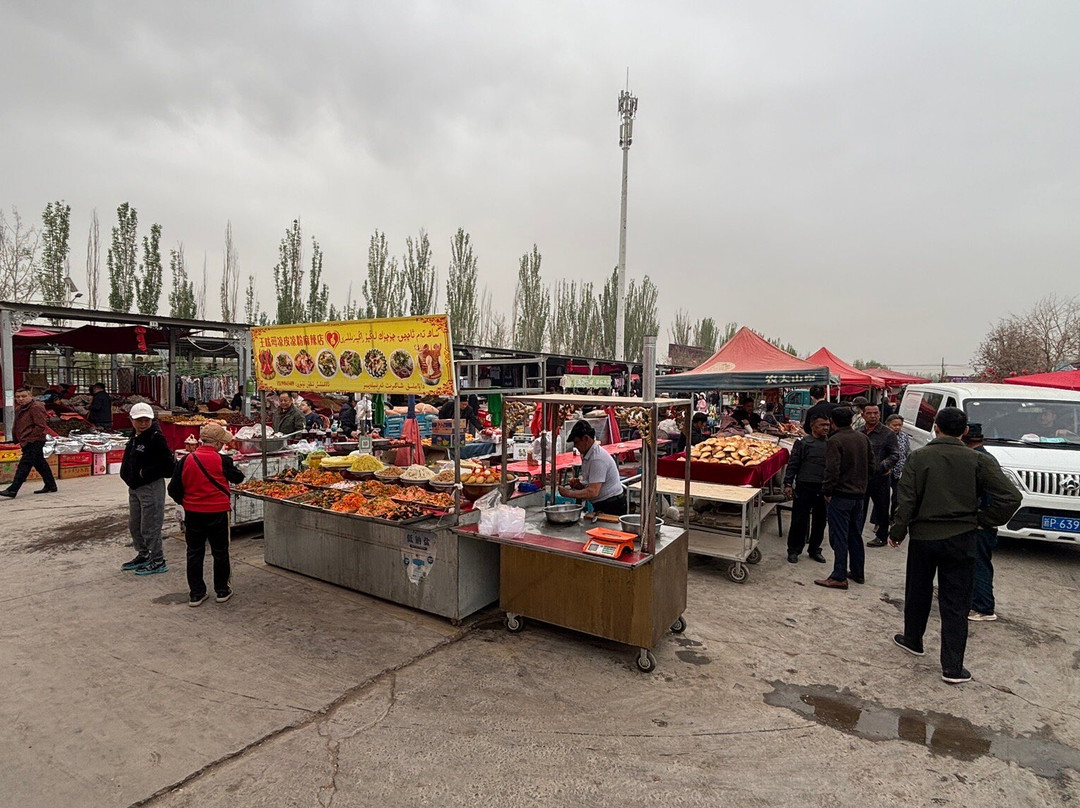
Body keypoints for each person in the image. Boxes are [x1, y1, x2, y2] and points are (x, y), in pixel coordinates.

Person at [889, 407, 1021, 684]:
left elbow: (907, 501)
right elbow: (1010, 497)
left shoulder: (919, 457)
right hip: (962, 538)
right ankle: (952, 667)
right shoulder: (977, 460)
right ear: (964, 432)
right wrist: (983, 520)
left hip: (924, 538)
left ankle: (913, 640)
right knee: (956, 602)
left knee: (918, 591)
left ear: (935, 426)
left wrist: (898, 532)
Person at [168, 423, 245, 606]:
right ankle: (222, 590)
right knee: (220, 552)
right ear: (218, 443)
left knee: (194, 552)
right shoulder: (223, 460)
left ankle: (196, 593)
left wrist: (186, 502)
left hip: (193, 513)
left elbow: (173, 489)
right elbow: (238, 478)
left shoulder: (186, 460)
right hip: (218, 512)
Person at [816, 407, 873, 590]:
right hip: (859, 495)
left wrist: (827, 491)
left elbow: (832, 470)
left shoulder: (835, 440)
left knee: (839, 537)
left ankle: (839, 576)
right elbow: (872, 465)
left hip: (841, 495)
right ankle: (858, 572)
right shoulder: (862, 438)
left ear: (833, 422)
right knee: (855, 535)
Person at [118, 402, 175, 575]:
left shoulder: (155, 437)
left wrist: (145, 473)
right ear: (131, 420)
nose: (143, 424)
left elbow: (169, 467)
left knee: (150, 526)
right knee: (135, 524)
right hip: (135, 487)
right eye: (139, 420)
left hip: (150, 487)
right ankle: (143, 554)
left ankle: (158, 560)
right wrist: (127, 474)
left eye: (146, 420)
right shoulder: (134, 436)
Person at [963, 423, 1000, 622]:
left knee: (979, 565)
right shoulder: (984, 457)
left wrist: (984, 519)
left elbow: (1002, 496)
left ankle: (983, 607)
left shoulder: (980, 460)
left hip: (981, 523)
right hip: (983, 521)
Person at [783, 415, 830, 564]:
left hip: (823, 487)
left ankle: (815, 549)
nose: (826, 428)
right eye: (822, 425)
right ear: (813, 427)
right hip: (804, 485)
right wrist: (788, 483)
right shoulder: (803, 443)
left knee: (820, 521)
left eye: (828, 425)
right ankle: (794, 550)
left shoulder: (831, 444)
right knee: (799, 520)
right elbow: (793, 464)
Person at [1, 386, 58, 498]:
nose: (21, 399)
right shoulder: (20, 409)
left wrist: (30, 439)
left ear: (30, 396)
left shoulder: (36, 407)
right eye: (18, 397)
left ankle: (13, 489)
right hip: (27, 440)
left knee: (24, 465)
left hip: (34, 440)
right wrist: (17, 439)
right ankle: (51, 485)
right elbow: (17, 425)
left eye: (23, 396)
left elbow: (41, 426)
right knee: (40, 463)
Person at [557, 420, 625, 515]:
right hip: (602, 503)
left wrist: (569, 494)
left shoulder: (597, 458)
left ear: (585, 439)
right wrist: (580, 485)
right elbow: (593, 483)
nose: (575, 446)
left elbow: (593, 492)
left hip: (611, 505)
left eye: (576, 442)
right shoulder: (587, 454)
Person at [860, 404, 900, 548]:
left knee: (882, 508)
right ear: (863, 415)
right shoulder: (859, 432)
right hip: (862, 477)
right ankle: (856, 533)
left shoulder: (887, 433)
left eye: (875, 413)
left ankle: (882, 536)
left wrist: (883, 467)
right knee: (860, 508)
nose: (873, 416)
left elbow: (895, 454)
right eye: (869, 413)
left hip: (881, 478)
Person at [886, 414, 910, 521]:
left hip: (899, 471)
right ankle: (878, 521)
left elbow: (906, 452)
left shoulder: (904, 436)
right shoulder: (884, 435)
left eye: (900, 425)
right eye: (894, 425)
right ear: (888, 424)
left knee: (897, 496)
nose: (897, 427)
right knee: (883, 497)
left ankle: (893, 517)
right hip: (885, 470)